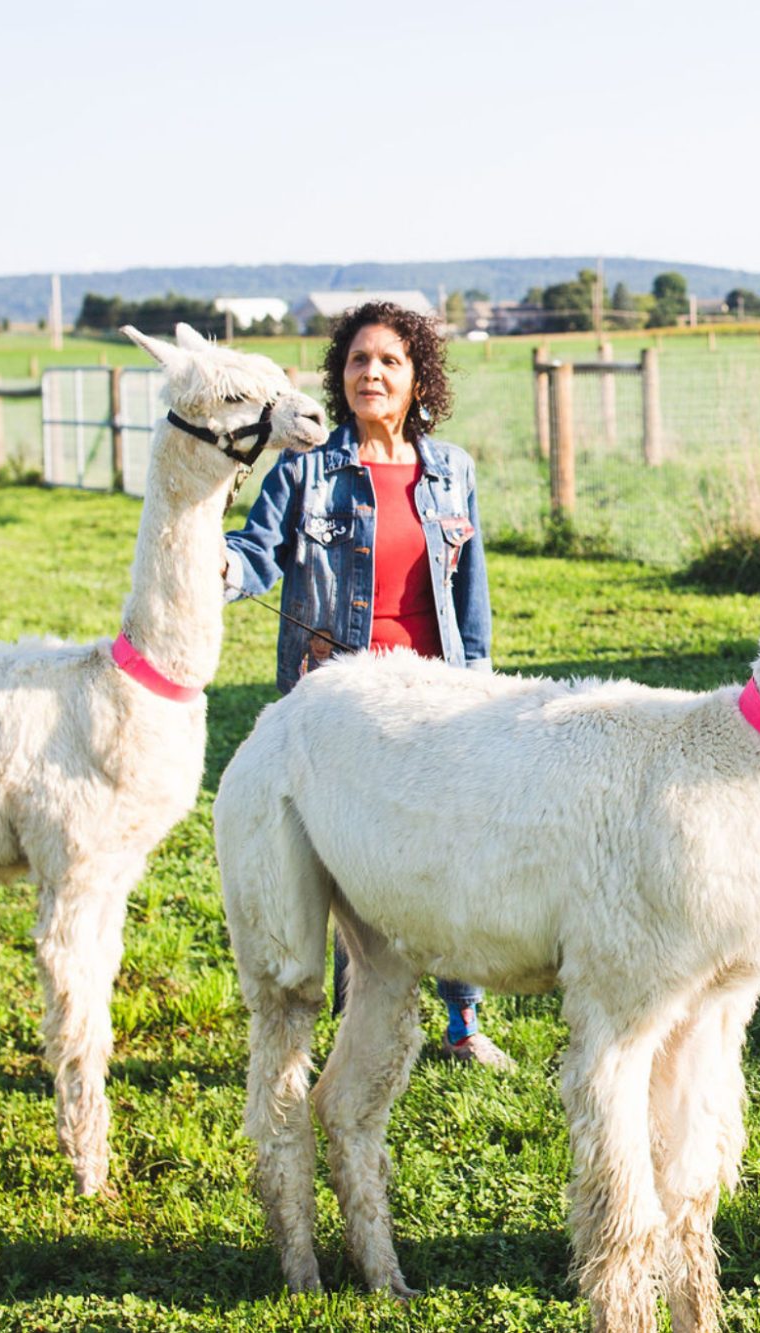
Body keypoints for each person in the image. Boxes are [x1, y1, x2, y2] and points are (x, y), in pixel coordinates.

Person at [223, 300, 514, 1070]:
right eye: (357, 361)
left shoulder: (452, 470)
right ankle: (353, 1026)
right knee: (349, 863)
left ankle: (461, 1023)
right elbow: (256, 554)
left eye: (388, 360)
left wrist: (480, 695)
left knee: (447, 855)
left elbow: (469, 600)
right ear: (339, 376)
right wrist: (210, 562)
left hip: (437, 702)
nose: (371, 373)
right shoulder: (305, 467)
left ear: (419, 378)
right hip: (341, 705)